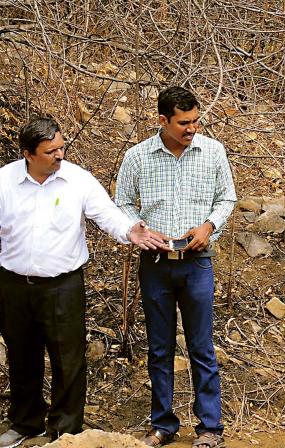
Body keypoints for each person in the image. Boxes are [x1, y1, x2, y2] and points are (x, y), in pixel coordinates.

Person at [0, 117, 166, 447]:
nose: (60, 155)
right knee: (22, 356)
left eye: (62, 147)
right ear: (28, 154)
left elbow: (107, 214)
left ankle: (65, 432)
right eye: (51, 151)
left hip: (63, 286)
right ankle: (25, 422)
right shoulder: (4, 182)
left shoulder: (78, 181)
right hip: (13, 285)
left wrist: (130, 230)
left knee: (68, 358)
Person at [115, 86, 236, 448]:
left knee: (201, 346)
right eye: (183, 122)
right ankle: (163, 424)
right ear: (162, 120)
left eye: (196, 121)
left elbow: (226, 197)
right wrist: (140, 230)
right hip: (155, 264)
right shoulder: (138, 157)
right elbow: (121, 203)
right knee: (159, 347)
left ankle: (210, 428)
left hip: (198, 263)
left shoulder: (213, 151)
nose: (191, 128)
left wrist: (209, 226)